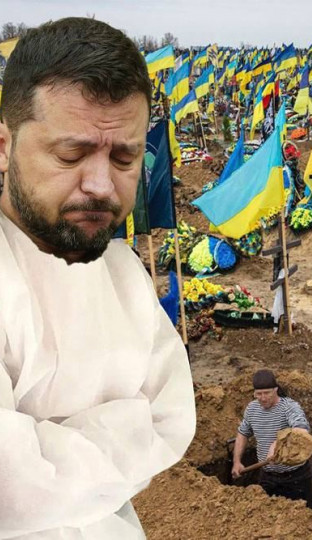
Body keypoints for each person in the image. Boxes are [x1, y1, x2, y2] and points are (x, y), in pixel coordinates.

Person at [0, 18, 196, 539]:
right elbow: (8, 488)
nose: (101, 185)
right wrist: (125, 428)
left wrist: (46, 448)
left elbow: (171, 420)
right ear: (3, 146)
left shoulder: (123, 270)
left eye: (125, 158)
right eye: (71, 154)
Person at [232, 369, 312, 508]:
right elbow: (243, 433)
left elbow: (301, 429)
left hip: (295, 477)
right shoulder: (252, 409)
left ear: (275, 389)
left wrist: (277, 444)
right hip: (268, 475)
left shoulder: (289, 407)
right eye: (259, 394)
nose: (263, 398)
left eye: (267, 393)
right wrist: (236, 462)